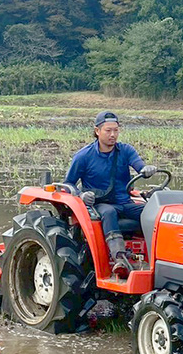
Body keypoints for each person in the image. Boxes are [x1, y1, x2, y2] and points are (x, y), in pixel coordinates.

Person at [65, 110, 157, 276]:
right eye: (108, 130)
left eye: (116, 130)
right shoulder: (84, 156)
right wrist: (81, 195)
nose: (113, 135)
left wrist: (146, 169)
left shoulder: (126, 151)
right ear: (97, 131)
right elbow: (68, 184)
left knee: (153, 213)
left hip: (124, 202)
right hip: (101, 204)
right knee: (109, 212)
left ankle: (156, 256)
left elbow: (139, 165)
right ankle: (119, 259)